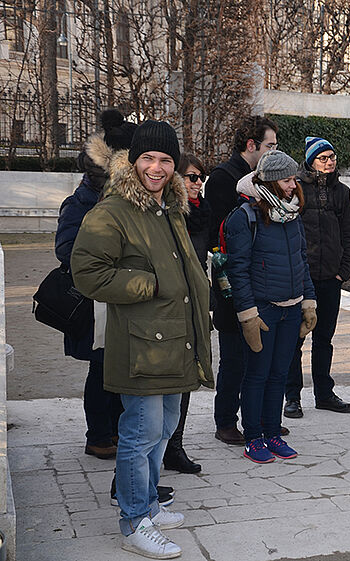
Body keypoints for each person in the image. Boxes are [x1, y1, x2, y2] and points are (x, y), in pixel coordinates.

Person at [71, 120, 213, 559]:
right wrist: (146, 285)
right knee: (140, 431)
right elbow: (88, 272)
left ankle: (149, 504)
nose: (156, 167)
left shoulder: (168, 207)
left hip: (174, 338)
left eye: (166, 160)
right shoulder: (113, 209)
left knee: (164, 428)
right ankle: (134, 521)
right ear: (132, 162)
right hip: (142, 343)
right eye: (148, 158)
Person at [224, 150, 317, 463]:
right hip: (262, 310)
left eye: (294, 179)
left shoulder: (292, 214)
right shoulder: (245, 216)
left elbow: (302, 261)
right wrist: (248, 315)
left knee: (279, 374)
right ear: (273, 180)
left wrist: (308, 302)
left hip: (290, 310)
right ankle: (253, 436)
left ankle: (272, 432)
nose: (294, 185)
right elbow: (238, 269)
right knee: (257, 375)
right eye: (289, 179)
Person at [55, 108, 135, 460]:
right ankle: (99, 435)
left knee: (119, 369)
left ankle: (115, 432)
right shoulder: (82, 202)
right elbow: (67, 250)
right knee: (102, 369)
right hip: (96, 302)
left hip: (122, 300)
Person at [206, 116, 279, 445]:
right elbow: (221, 235)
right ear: (252, 146)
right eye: (270, 146)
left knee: (261, 356)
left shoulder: (267, 180)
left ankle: (258, 417)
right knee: (234, 358)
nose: (274, 151)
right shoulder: (224, 178)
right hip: (233, 284)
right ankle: (225, 420)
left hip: (263, 283)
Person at [283, 137, 350, 419]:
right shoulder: (296, 188)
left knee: (324, 339)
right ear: (311, 161)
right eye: (323, 158)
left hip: (331, 278)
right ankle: (292, 396)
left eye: (332, 157)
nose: (329, 162)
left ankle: (324, 394)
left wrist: (344, 270)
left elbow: (349, 233)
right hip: (303, 278)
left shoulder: (342, 191)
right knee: (295, 340)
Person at [161, 154, 210, 475]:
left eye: (200, 178)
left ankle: (175, 447)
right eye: (191, 177)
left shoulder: (202, 213)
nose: (197, 183)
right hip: (167, 309)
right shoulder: (168, 215)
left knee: (186, 378)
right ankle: (158, 447)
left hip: (196, 305)